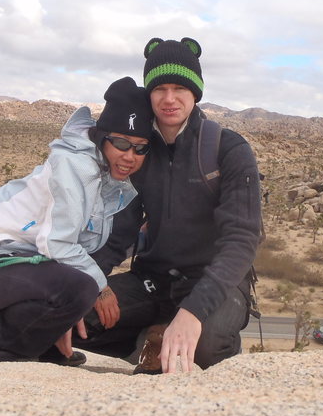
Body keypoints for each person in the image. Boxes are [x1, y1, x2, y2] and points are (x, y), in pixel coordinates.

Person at [76, 38, 263, 373]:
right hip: (153, 281)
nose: (169, 98)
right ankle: (149, 338)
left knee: (202, 347)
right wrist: (88, 284)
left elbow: (242, 239)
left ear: (196, 92)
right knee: (70, 316)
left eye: (180, 87)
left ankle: (176, 335)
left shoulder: (228, 149)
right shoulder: (140, 151)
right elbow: (120, 233)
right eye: (159, 88)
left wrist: (192, 312)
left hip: (215, 282)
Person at [0, 76, 153, 366]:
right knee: (82, 287)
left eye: (140, 147)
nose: (130, 156)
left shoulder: (106, 175)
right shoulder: (76, 167)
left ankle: (41, 347)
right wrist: (101, 288)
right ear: (101, 137)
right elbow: (56, 243)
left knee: (74, 285)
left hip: (13, 264)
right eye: (121, 143)